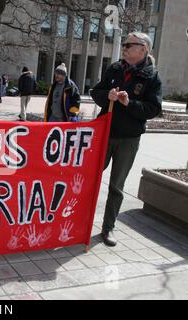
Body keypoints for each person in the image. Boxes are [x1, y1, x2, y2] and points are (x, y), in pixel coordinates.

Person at [91, 32, 162, 247]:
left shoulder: (151, 77)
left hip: (128, 139)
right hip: (104, 133)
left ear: (143, 49)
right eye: (124, 44)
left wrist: (129, 104)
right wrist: (107, 96)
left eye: (129, 44)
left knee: (116, 186)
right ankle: (77, 220)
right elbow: (97, 92)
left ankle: (108, 227)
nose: (124, 47)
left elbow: (153, 109)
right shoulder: (115, 68)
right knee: (90, 178)